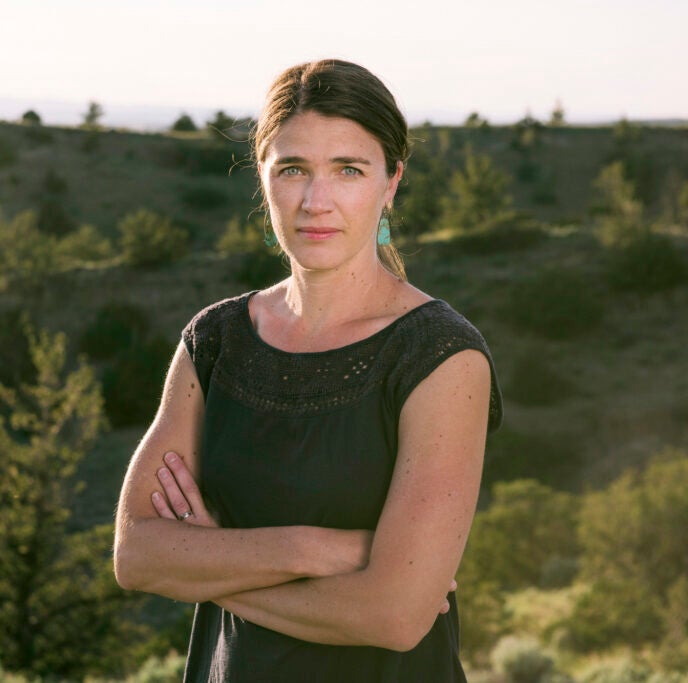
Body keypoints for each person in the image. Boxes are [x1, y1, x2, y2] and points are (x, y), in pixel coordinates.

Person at [113, 59, 503, 682]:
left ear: (391, 182)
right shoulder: (214, 341)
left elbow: (396, 616)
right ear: (263, 178)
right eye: (293, 168)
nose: (316, 201)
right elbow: (137, 555)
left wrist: (213, 567)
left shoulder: (440, 355)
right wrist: (317, 549)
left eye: (349, 169)